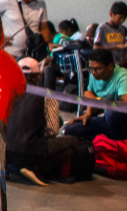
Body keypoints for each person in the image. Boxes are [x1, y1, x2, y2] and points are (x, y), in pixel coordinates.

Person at [5, 57, 76, 186]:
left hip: (4, 151)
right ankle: (36, 168)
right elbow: (53, 130)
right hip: (29, 151)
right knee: (72, 142)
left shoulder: (6, 91)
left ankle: (9, 167)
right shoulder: (46, 95)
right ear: (38, 76)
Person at [61, 48, 127, 141]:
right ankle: (100, 142)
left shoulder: (123, 76)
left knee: (111, 114)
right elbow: (89, 93)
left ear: (110, 66)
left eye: (98, 68)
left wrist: (99, 102)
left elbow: (126, 105)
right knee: (70, 128)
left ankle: (116, 145)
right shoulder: (94, 74)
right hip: (105, 119)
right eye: (91, 68)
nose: (93, 72)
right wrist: (88, 114)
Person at [94, 1, 127, 68]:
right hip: (106, 64)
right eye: (120, 18)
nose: (122, 20)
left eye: (124, 18)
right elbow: (96, 48)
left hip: (120, 64)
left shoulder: (122, 29)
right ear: (111, 14)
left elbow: (122, 45)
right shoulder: (102, 28)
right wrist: (116, 47)